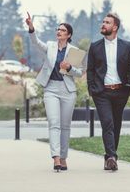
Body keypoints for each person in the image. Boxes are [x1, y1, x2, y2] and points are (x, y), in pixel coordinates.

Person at [25, 12, 84, 172]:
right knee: (54, 123)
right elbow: (36, 42)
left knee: (65, 126)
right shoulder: (50, 46)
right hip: (50, 88)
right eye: (58, 29)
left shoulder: (74, 51)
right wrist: (31, 28)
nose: (59, 32)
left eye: (63, 30)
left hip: (67, 90)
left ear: (69, 35)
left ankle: (64, 158)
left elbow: (79, 73)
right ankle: (56, 158)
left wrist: (70, 68)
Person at [86, 13, 130, 171]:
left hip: (120, 91)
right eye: (103, 22)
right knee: (107, 123)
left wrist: (129, 87)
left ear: (115, 27)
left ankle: (109, 157)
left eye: (107, 22)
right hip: (102, 93)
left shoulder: (126, 46)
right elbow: (91, 70)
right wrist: (92, 89)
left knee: (116, 125)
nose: (103, 24)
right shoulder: (95, 46)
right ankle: (112, 157)